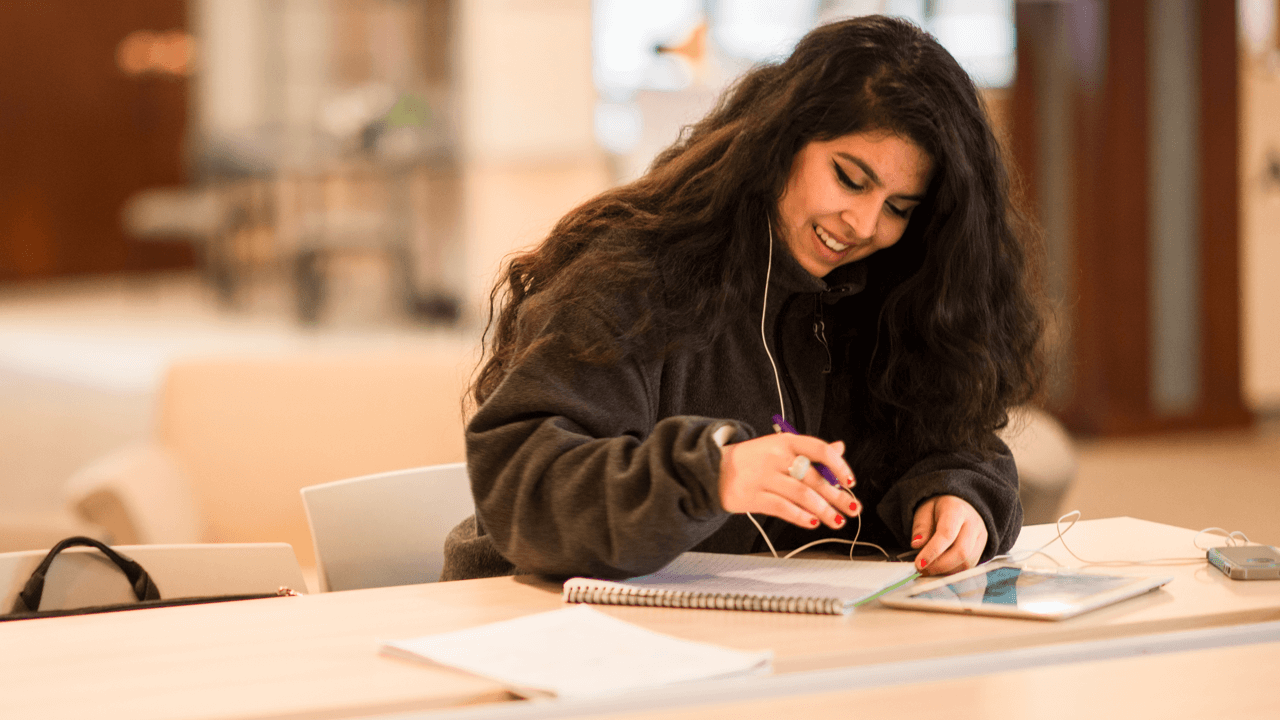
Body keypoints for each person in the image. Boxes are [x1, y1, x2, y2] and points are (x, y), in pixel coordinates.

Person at [441, 15, 1045, 582]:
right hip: (533, 618)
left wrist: (958, 494)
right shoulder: (629, 273)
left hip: (725, 640)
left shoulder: (882, 295)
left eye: (898, 208)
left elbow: (953, 437)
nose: (863, 224)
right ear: (782, 142)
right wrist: (712, 475)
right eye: (849, 178)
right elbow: (522, 483)